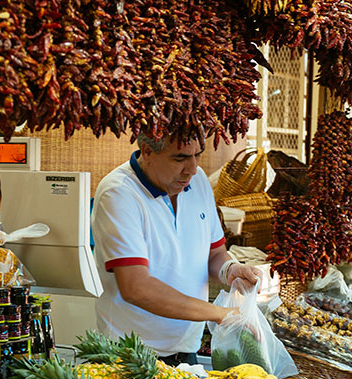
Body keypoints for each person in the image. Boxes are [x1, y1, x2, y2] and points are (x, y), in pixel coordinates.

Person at [91, 134, 262, 364]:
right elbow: (136, 287)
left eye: (197, 155)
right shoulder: (119, 193)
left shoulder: (197, 180)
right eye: (180, 158)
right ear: (148, 151)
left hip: (185, 350)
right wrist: (221, 314)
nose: (191, 169)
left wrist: (230, 270)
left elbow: (214, 254)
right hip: (131, 355)